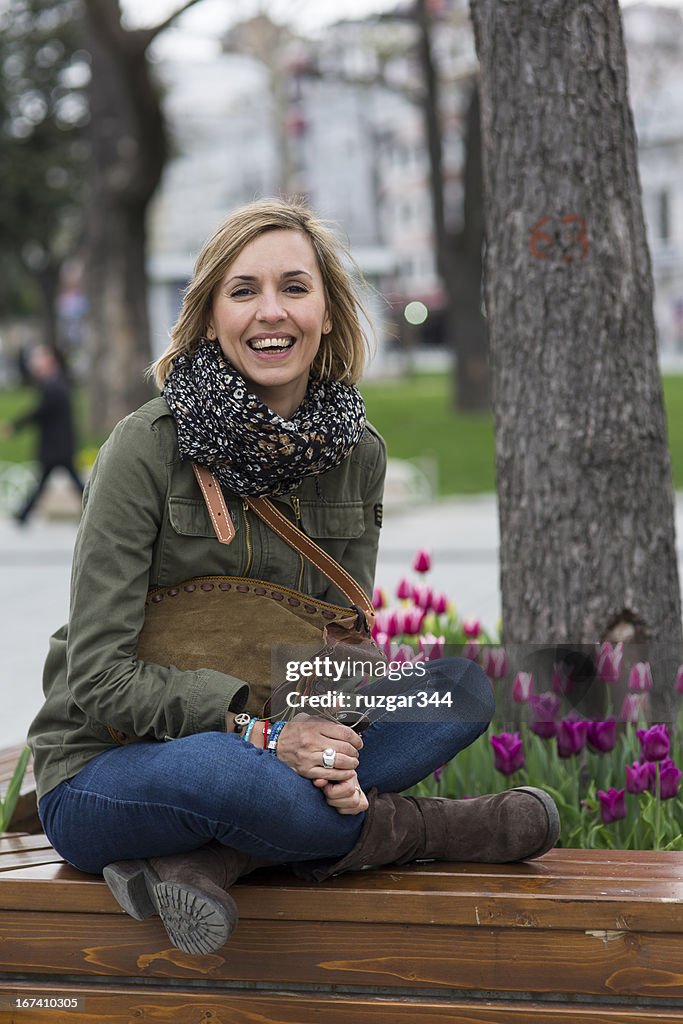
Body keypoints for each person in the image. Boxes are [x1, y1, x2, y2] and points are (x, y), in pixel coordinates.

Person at [27, 198, 559, 957]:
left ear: (328, 312)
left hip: (280, 744)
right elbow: (100, 678)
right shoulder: (143, 449)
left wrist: (333, 747)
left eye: (294, 287)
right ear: (210, 316)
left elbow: (335, 650)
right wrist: (266, 734)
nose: (269, 312)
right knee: (230, 774)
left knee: (454, 690)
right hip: (111, 764)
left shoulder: (358, 452)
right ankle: (435, 828)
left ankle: (215, 857)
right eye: (242, 291)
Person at [2, 345, 84, 524]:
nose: (34, 364)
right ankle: (23, 514)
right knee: (49, 481)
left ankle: (23, 514)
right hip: (58, 444)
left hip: (57, 445)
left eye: (38, 359)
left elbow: (38, 412)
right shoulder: (53, 383)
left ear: (49, 361)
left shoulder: (53, 386)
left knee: (64, 481)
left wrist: (15, 426)